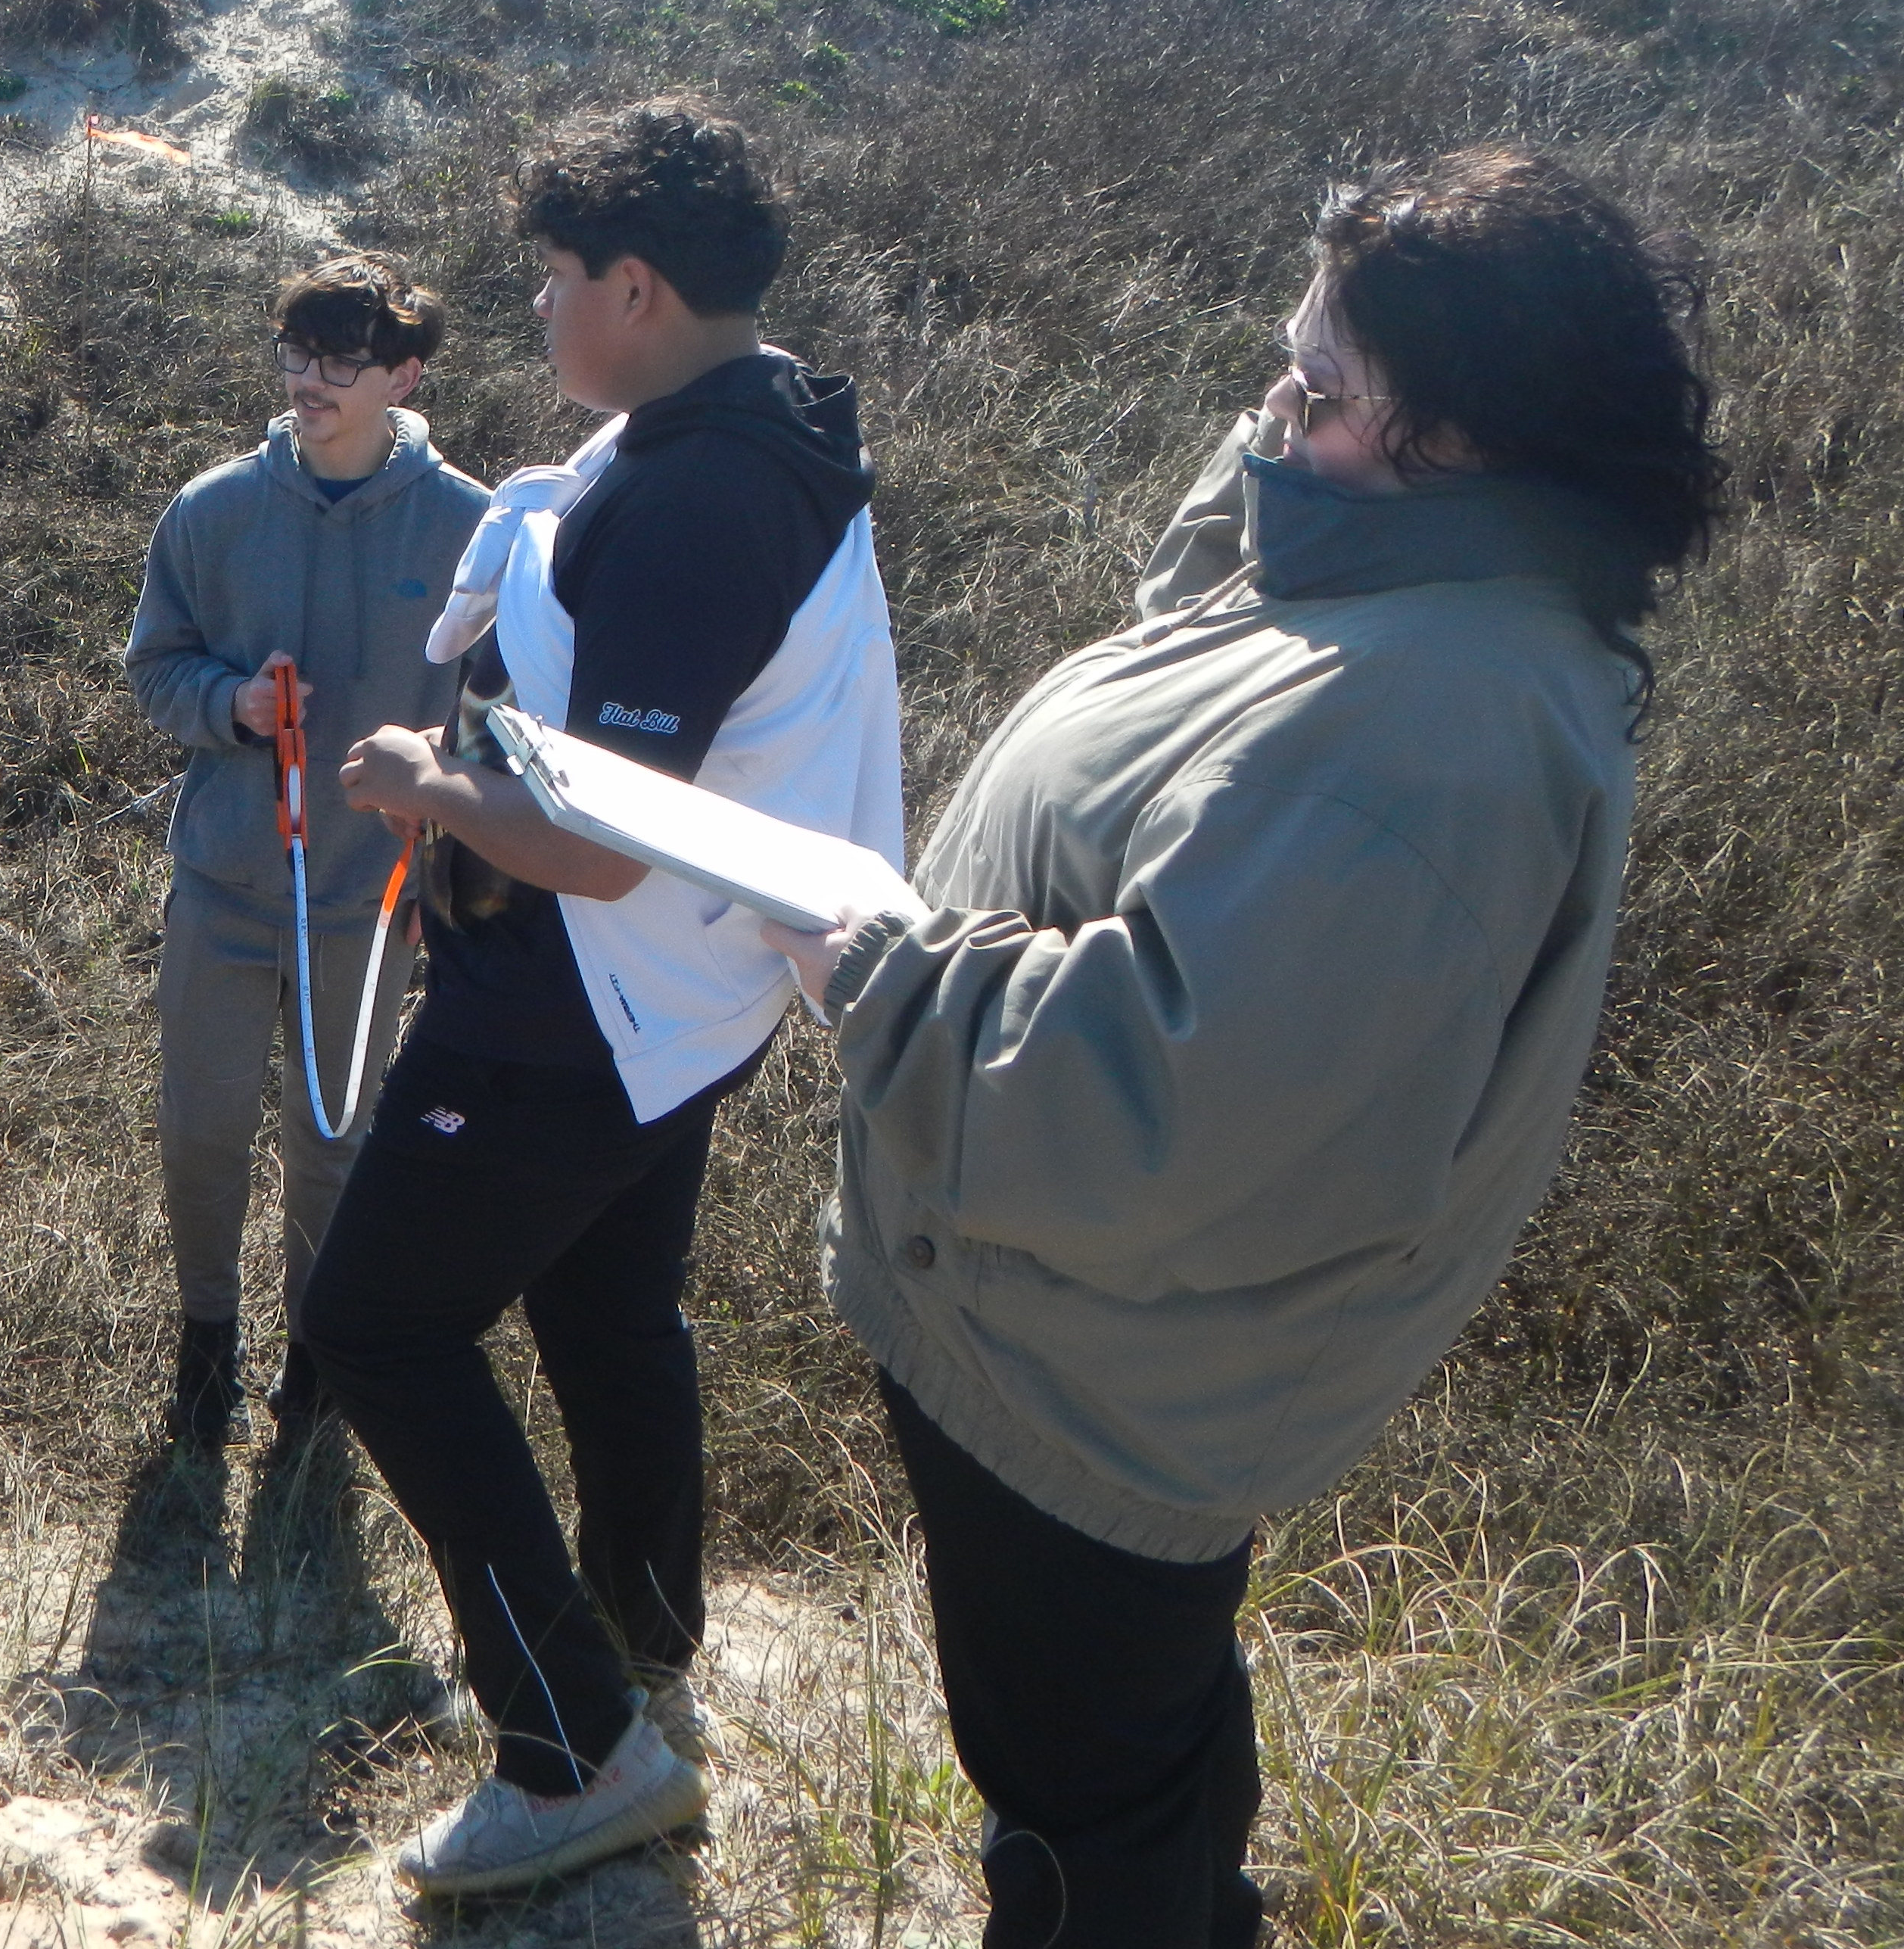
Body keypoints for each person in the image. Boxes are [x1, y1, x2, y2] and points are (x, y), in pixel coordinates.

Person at [761, 148, 1725, 1949]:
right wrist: (1289, 440)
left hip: (1096, 1380)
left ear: (1463, 438)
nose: (1274, 412)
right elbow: (1200, 655)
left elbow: (1162, 1122)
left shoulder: (1423, 732)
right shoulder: (1390, 581)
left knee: (1077, 1818)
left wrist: (883, 978)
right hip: (1078, 1329)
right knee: (1143, 1767)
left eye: (1321, 389)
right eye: (1281, 369)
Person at [310, 101, 904, 1898]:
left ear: (637, 286)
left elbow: (596, 847)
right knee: (606, 1307)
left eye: (558, 279)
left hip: (583, 996)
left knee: (378, 1326)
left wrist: (415, 778)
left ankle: (574, 1744)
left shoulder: (698, 495)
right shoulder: (761, 423)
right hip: (693, 997)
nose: (540, 309)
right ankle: (641, 1627)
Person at [123, 257, 488, 1449]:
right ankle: (205, 1344)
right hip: (225, 883)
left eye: (341, 363)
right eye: (295, 357)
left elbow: (505, 714)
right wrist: (229, 706)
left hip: (368, 896)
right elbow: (156, 666)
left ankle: (317, 1364)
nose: (310, 384)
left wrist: (446, 818)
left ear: (404, 375)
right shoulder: (216, 507)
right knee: (203, 1125)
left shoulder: (471, 527)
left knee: (335, 1144)